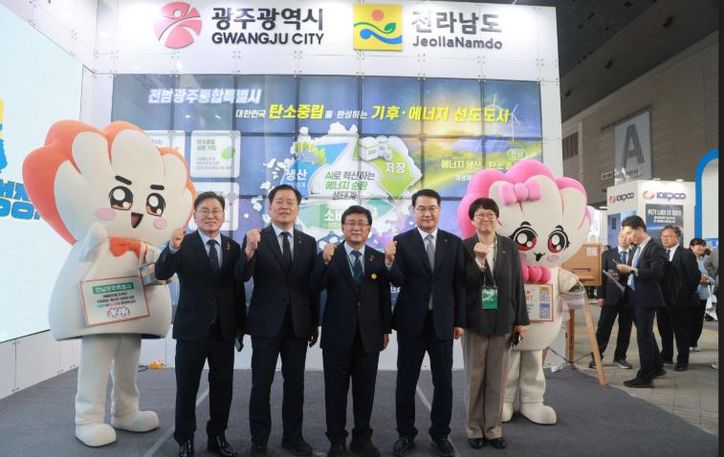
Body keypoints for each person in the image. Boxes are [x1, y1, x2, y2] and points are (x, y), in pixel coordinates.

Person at [155, 191, 245, 457]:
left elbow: (237, 289)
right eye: (204, 211)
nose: (210, 215)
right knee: (187, 387)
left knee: (222, 387)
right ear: (194, 216)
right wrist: (171, 249)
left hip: (223, 331)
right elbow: (161, 272)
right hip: (191, 329)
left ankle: (218, 436)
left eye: (216, 211)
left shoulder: (232, 248)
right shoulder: (182, 243)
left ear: (223, 215)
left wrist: (239, 326)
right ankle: (185, 439)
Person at [236, 184, 319, 457]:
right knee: (261, 384)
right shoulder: (256, 238)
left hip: (298, 324)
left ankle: (293, 437)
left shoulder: (308, 242)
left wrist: (313, 323)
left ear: (297, 208)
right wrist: (249, 250)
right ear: (270, 207)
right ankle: (259, 440)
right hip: (265, 324)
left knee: (295, 385)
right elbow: (241, 276)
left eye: (290, 202)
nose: (284, 206)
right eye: (279, 201)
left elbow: (311, 287)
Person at [384, 189, 465, 457]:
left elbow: (459, 285)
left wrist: (460, 321)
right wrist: (389, 261)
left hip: (443, 322)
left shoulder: (454, 243)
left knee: (444, 382)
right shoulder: (402, 241)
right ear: (413, 211)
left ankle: (440, 434)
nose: (427, 213)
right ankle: (405, 434)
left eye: (432, 208)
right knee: (406, 381)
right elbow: (397, 280)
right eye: (421, 208)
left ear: (439, 210)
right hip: (411, 323)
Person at [309, 205, 392, 457]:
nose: (356, 228)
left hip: (369, 336)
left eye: (361, 223)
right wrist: (323, 262)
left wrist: (385, 329)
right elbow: (314, 285)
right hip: (337, 336)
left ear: (369, 228)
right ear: (343, 227)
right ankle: (336, 440)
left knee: (365, 391)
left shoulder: (377, 257)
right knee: (335, 392)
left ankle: (362, 438)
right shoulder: (329, 254)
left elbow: (384, 296)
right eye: (351, 223)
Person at [461, 198, 528, 450]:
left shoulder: (509, 246)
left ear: (496, 218)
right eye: (480, 215)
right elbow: (462, 284)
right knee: (475, 378)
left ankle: (493, 429)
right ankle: (474, 429)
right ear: (472, 220)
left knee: (498, 380)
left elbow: (517, 285)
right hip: (475, 321)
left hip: (503, 321)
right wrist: (478, 261)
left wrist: (521, 320)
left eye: (490, 214)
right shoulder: (464, 247)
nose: (486, 219)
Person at [615, 215, 667, 388]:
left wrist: (632, 270)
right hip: (634, 297)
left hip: (647, 298)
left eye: (630, 233)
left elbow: (657, 273)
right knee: (646, 334)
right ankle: (657, 367)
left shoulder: (655, 248)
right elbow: (634, 272)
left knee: (643, 337)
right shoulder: (637, 248)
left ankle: (645, 377)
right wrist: (621, 273)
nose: (628, 237)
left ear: (639, 229)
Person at [656, 226, 700, 371]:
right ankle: (666, 356)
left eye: (669, 236)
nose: (665, 239)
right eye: (663, 236)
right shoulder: (660, 253)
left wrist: (685, 294)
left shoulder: (685, 254)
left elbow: (694, 277)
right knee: (664, 330)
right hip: (662, 300)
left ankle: (682, 360)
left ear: (677, 238)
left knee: (681, 332)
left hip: (680, 301)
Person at [590, 230, 634, 370]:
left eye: (627, 236)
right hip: (610, 297)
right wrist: (600, 296)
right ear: (618, 237)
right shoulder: (607, 254)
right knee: (603, 327)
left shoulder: (635, 253)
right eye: (622, 236)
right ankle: (596, 357)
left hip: (629, 298)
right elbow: (600, 276)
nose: (624, 239)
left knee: (625, 329)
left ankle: (620, 357)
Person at [689, 238, 717, 351]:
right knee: (689, 320)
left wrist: (708, 280)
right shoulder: (687, 260)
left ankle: (693, 343)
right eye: (698, 245)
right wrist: (698, 279)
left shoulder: (703, 260)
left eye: (703, 245)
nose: (701, 247)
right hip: (690, 295)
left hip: (703, 295)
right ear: (691, 247)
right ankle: (688, 342)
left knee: (698, 321)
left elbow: (713, 279)